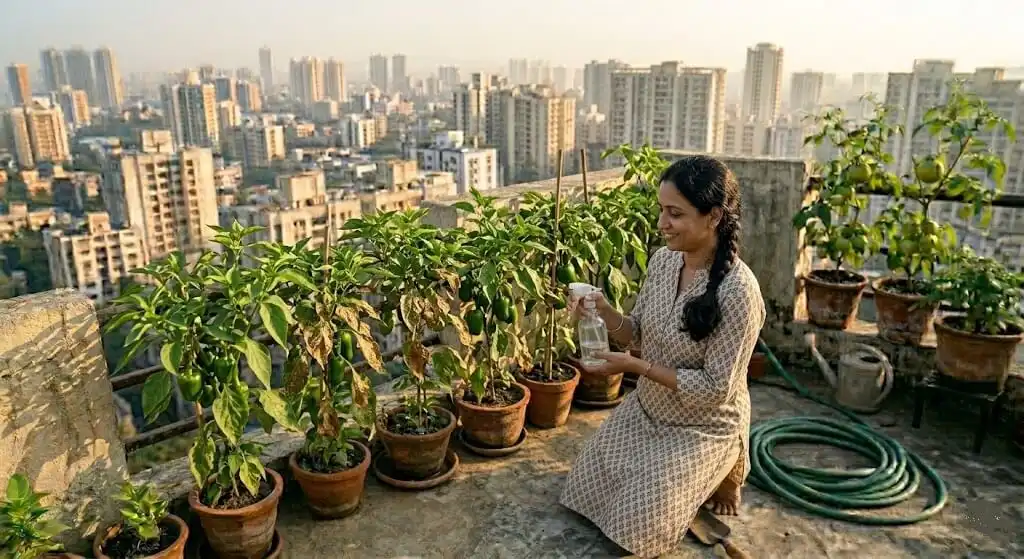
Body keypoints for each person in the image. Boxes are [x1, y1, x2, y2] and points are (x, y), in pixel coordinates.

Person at [559, 155, 766, 558]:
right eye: (660, 211)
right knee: (584, 493)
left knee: (635, 529)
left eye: (675, 214)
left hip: (700, 424)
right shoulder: (663, 261)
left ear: (713, 217)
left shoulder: (739, 293)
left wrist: (635, 368)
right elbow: (636, 333)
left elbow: (715, 390)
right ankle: (685, 487)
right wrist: (602, 311)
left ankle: (726, 469)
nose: (661, 224)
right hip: (650, 408)